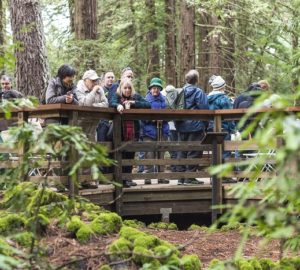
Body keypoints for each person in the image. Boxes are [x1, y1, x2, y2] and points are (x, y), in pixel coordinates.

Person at [110, 79, 151, 188]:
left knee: (130, 154)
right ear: (121, 88)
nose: (127, 90)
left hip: (133, 131)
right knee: (120, 155)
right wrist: (118, 105)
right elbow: (111, 102)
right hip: (120, 131)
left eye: (129, 88)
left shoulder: (135, 96)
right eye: (125, 88)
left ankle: (127, 179)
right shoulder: (117, 96)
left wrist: (134, 103)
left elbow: (148, 105)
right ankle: (119, 180)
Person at [176, 69, 209, 185]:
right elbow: (205, 109)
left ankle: (181, 178)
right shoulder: (199, 92)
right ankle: (189, 178)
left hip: (181, 126)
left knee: (182, 151)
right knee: (194, 151)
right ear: (197, 80)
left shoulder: (180, 91)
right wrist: (205, 126)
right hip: (195, 126)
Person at [142, 78, 169, 185]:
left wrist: (163, 119)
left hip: (162, 130)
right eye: (153, 88)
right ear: (150, 88)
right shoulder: (145, 100)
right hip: (149, 131)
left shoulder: (164, 100)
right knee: (149, 153)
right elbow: (141, 117)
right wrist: (151, 119)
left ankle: (161, 177)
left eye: (157, 88)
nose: (155, 90)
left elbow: (170, 114)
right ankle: (147, 176)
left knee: (161, 153)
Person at [207, 75, 235, 158]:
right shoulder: (224, 99)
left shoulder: (207, 98)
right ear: (222, 87)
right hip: (224, 128)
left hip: (211, 128)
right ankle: (224, 170)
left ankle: (215, 170)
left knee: (214, 151)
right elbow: (229, 116)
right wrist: (233, 129)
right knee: (225, 152)